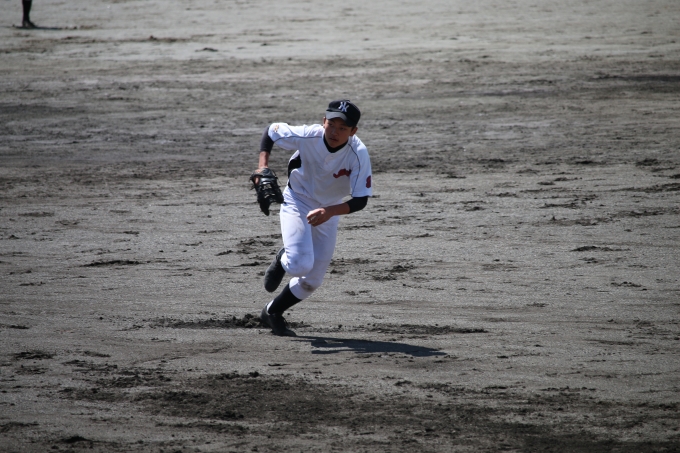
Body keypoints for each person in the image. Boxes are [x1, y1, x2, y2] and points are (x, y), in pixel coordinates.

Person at [255, 100, 373, 336]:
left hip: (329, 209)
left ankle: (272, 312)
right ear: (323, 121)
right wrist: (262, 167)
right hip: (297, 200)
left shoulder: (358, 154)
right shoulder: (308, 135)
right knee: (299, 264)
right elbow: (271, 132)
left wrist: (330, 212)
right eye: (331, 125)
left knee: (313, 280)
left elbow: (361, 200)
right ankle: (283, 257)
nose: (335, 132)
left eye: (343, 128)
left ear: (353, 131)